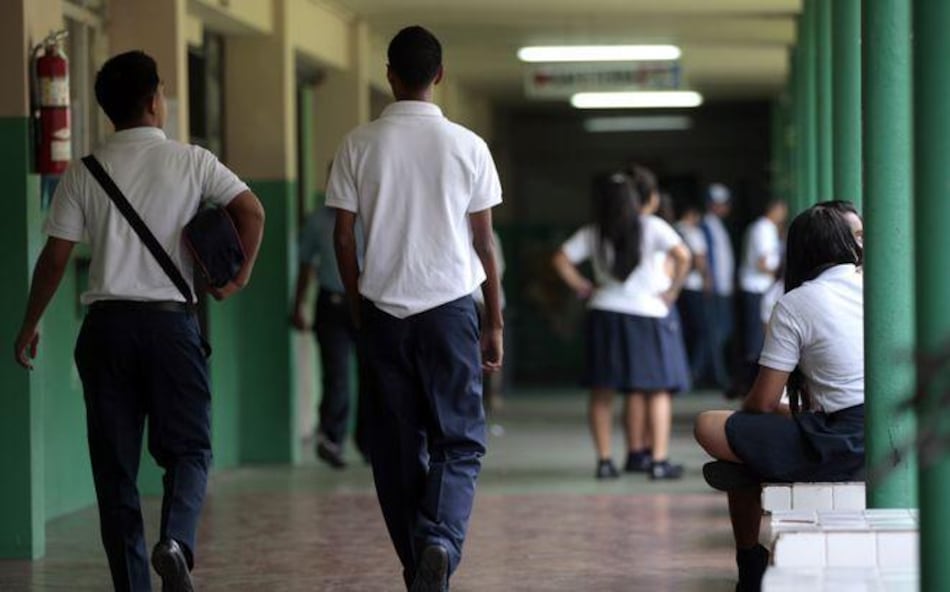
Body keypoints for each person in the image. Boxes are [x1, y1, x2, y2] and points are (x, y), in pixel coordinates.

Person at [13, 50, 265, 592]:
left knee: (115, 472)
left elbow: (55, 258)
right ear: (156, 100)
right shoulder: (192, 161)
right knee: (190, 449)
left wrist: (30, 322)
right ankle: (174, 541)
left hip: (106, 330)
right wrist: (237, 277)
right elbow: (253, 211)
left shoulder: (84, 171)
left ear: (107, 110)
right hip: (173, 328)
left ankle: (133, 584)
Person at [326, 26, 503, 592]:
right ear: (440, 76)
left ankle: (422, 567)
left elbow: (343, 239)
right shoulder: (468, 145)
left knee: (397, 447)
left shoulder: (357, 143)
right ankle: (440, 542)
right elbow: (484, 243)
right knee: (460, 439)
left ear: (389, 75)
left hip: (384, 310)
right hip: (451, 309)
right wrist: (494, 319)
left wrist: (357, 304)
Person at [694, 201, 865, 592]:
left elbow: (762, 403)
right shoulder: (881, 287)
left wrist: (792, 415)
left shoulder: (795, 303)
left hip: (841, 442)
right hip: (883, 431)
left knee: (712, 427)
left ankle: (751, 560)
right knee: (749, 450)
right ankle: (751, 555)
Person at [552, 168, 691, 480]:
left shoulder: (594, 231)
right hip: (649, 314)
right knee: (656, 390)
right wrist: (672, 290)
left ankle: (604, 461)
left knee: (602, 392)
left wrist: (584, 287)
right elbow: (683, 256)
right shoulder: (652, 226)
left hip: (605, 312)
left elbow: (560, 258)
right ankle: (658, 461)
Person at [291, 203, 369, 468]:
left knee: (372, 372)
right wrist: (298, 304)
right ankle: (332, 439)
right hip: (332, 303)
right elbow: (306, 263)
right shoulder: (318, 220)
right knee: (336, 373)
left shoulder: (372, 213)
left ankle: (370, 442)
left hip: (369, 301)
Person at [737, 198, 787, 388]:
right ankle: (751, 384)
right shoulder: (764, 229)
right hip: (756, 287)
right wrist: (781, 273)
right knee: (756, 340)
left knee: (755, 337)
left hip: (756, 287)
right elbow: (763, 262)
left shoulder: (760, 227)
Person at [700, 182, 736, 390]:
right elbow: (706, 257)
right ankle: (714, 375)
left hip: (723, 288)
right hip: (715, 289)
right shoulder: (706, 225)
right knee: (716, 333)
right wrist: (709, 279)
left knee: (723, 331)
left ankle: (708, 372)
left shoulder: (717, 225)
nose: (726, 208)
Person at [675, 201, 711, 386]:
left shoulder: (672, 230)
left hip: (677, 287)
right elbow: (699, 260)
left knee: (683, 330)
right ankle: (694, 372)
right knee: (702, 331)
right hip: (693, 286)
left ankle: (680, 370)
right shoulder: (693, 232)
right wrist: (706, 278)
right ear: (692, 214)